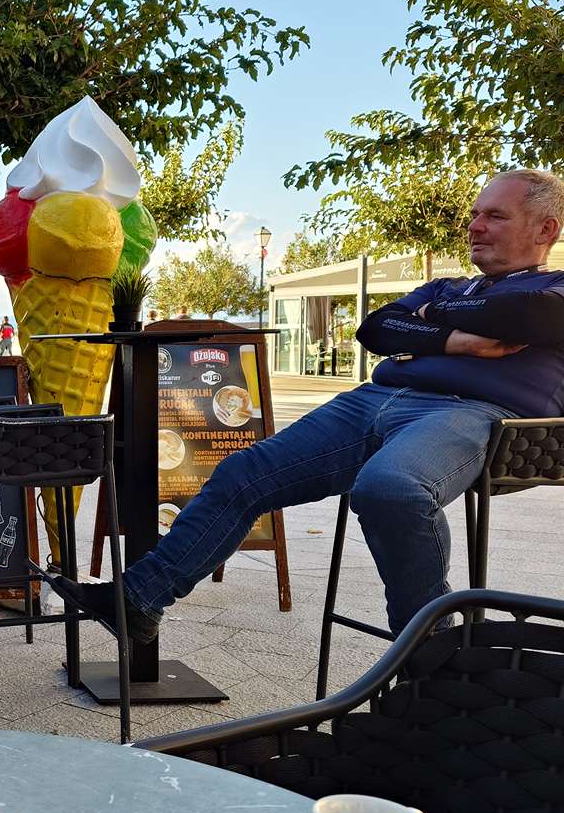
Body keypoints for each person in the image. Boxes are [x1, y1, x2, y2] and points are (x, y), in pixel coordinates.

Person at [61, 169, 564, 641]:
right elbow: (377, 329)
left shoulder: (553, 288)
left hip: (471, 412)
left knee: (391, 490)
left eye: (495, 216)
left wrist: (429, 318)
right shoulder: (447, 286)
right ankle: (138, 601)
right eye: (475, 214)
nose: (475, 226)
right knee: (243, 473)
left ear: (546, 229)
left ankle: (429, 654)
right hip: (374, 399)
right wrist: (455, 338)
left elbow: (525, 317)